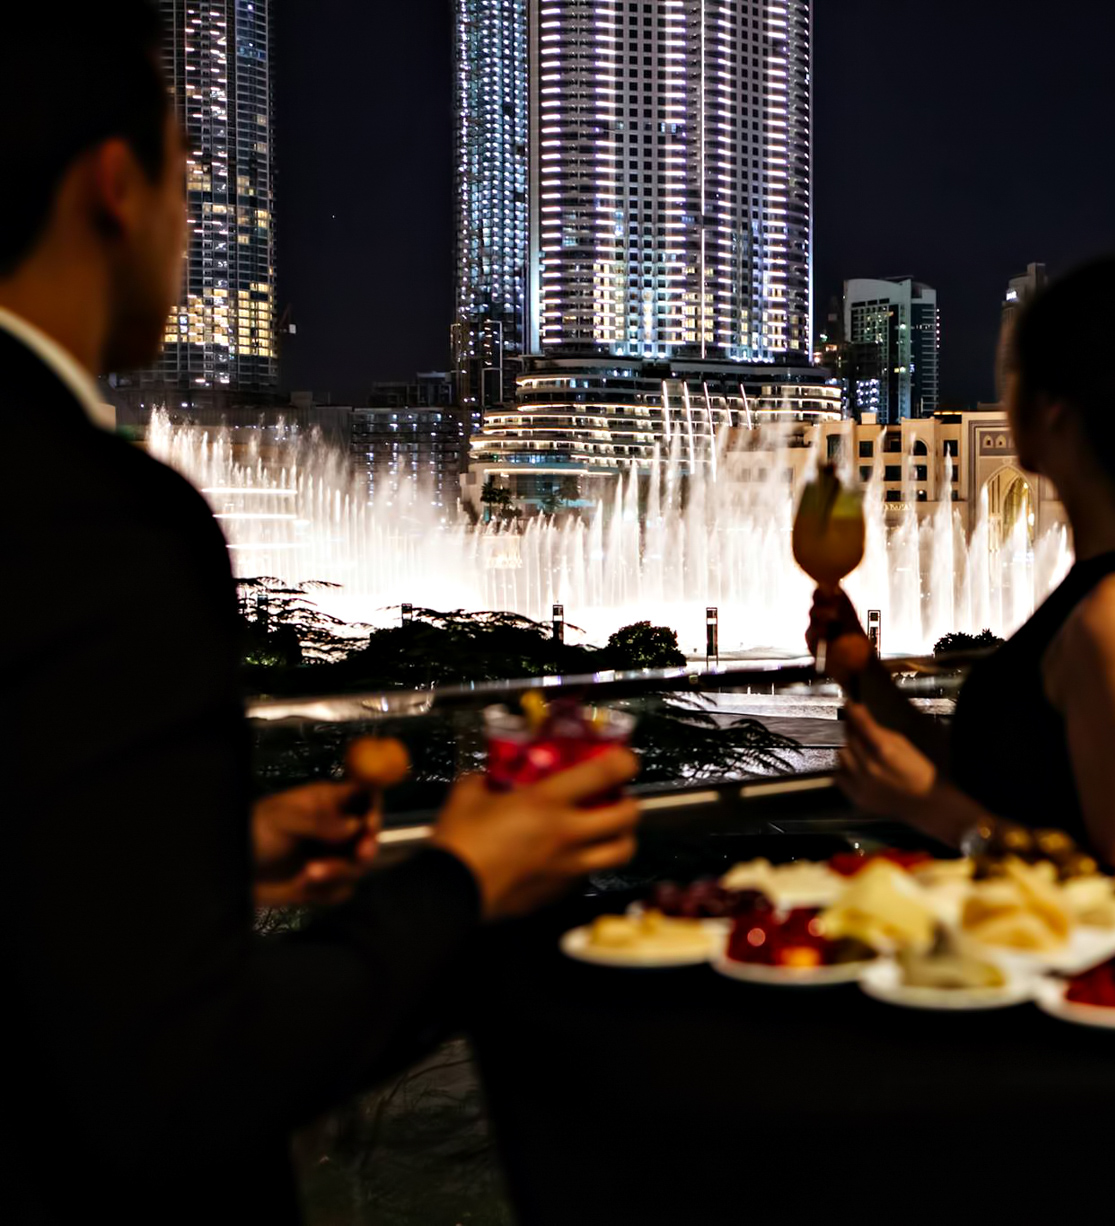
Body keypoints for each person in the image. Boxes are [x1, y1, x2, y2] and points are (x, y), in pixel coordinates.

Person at [0, 8, 641, 1220]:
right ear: (114, 185)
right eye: (190, 179)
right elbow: (176, 1082)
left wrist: (204, 857)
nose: (193, 228)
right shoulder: (104, 523)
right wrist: (459, 878)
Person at [808, 258, 1115, 874]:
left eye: (1010, 374)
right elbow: (1013, 781)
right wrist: (864, 674)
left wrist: (931, 809)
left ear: (1052, 408)